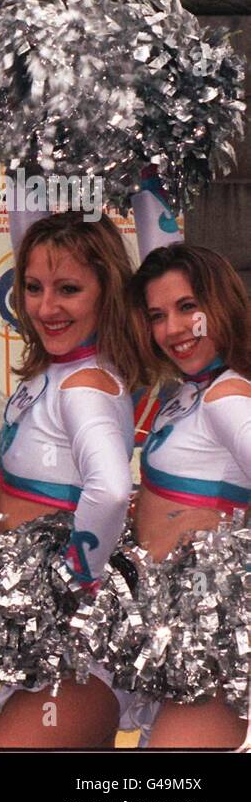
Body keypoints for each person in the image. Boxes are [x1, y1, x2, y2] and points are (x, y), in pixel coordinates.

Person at [0, 212, 147, 748]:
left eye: (68, 289)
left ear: (106, 292)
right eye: (33, 287)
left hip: (73, 647)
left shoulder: (86, 385)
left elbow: (112, 489)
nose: (46, 307)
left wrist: (75, 586)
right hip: (49, 643)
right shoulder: (53, 373)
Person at [124, 243, 251, 748]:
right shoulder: (186, 393)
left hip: (209, 633)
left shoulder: (227, 395)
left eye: (187, 308)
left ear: (220, 304)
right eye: (157, 315)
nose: (172, 329)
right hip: (170, 632)